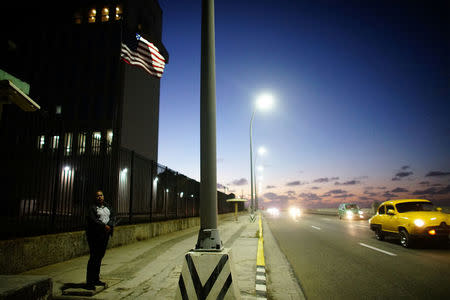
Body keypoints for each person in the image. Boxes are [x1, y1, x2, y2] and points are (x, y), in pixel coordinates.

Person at [85, 189, 115, 289]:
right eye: (97, 196)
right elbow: (93, 220)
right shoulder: (92, 208)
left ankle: (96, 279)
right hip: (95, 236)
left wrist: (109, 225)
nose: (100, 197)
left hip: (105, 236)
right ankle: (90, 281)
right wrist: (104, 226)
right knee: (94, 257)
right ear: (95, 198)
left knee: (100, 257)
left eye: (101, 195)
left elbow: (113, 217)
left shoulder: (107, 207)